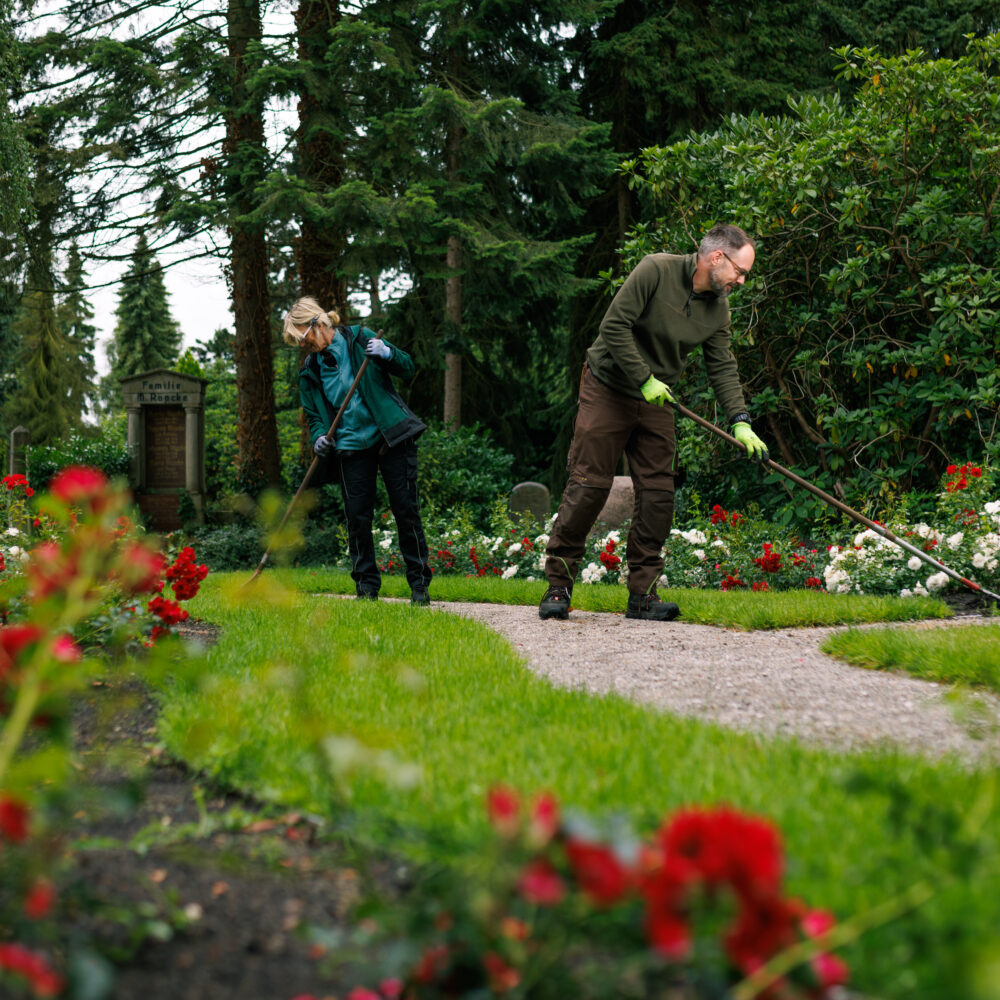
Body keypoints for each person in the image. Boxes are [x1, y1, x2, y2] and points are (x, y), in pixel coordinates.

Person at [539, 223, 769, 622]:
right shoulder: (655, 270)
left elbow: (722, 366)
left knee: (659, 493)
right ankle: (558, 586)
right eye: (740, 271)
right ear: (717, 258)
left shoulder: (718, 307)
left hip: (657, 398)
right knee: (590, 484)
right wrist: (643, 378)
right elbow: (612, 327)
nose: (742, 280)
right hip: (609, 385)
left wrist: (740, 420)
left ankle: (642, 595)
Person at [282, 297, 433, 605]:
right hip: (351, 446)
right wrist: (320, 436)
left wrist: (387, 353)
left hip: (390, 436)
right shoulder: (311, 369)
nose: (303, 346)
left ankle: (419, 586)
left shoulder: (361, 338)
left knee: (405, 509)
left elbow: (406, 366)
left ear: (318, 324)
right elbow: (313, 415)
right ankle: (366, 588)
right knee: (357, 517)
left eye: (304, 337)